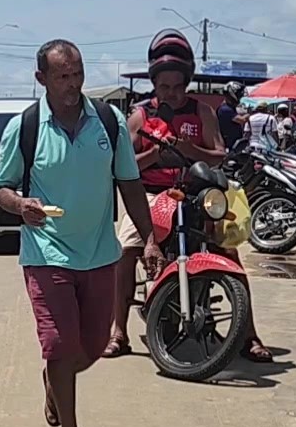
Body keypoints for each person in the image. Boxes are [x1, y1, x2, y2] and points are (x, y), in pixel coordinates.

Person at [0, 40, 158, 427]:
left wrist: (150, 239)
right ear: (41, 79)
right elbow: (1, 188)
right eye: (62, 76)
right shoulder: (24, 128)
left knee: (93, 346)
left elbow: (129, 183)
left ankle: (53, 382)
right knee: (62, 346)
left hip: (100, 252)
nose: (71, 84)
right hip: (46, 252)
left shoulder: (109, 121)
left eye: (77, 74)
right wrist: (20, 205)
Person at [109, 30, 274, 363]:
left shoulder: (203, 112)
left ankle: (249, 334)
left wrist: (190, 150)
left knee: (230, 250)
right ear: (154, 84)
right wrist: (154, 155)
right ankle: (118, 332)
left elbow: (218, 154)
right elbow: (121, 165)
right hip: (150, 195)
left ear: (187, 84)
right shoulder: (140, 117)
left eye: (178, 86)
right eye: (164, 87)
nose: (171, 93)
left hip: (196, 194)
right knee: (127, 250)